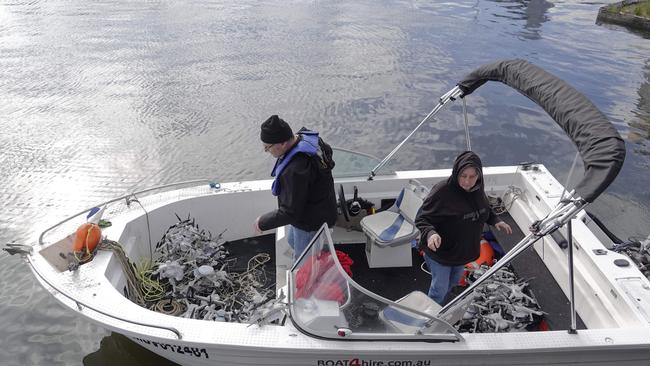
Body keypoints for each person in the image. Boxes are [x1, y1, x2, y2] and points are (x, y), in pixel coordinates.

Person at [415, 151, 512, 305]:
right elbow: (421, 218)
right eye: (463, 175)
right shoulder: (442, 191)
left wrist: (496, 220)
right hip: (441, 252)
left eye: (472, 176)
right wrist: (431, 234)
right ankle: (429, 319)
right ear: (456, 173)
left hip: (462, 252)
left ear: (479, 176)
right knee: (439, 288)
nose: (467, 181)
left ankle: (441, 308)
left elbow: (484, 209)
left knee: (453, 282)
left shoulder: (477, 189)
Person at [254, 115, 338, 262]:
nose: (266, 151)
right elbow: (329, 154)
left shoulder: (296, 170)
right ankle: (314, 255)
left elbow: (290, 212)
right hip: (322, 206)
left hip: (311, 221)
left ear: (283, 143)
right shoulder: (308, 139)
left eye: (268, 148)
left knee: (303, 261)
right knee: (292, 241)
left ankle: (307, 277)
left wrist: (262, 222)